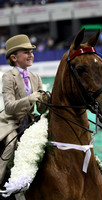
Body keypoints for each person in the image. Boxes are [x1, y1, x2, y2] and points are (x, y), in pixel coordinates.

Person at [0, 34, 49, 191]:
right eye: (26, 52)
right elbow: (9, 106)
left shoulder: (36, 77)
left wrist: (44, 101)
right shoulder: (8, 77)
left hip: (30, 120)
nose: (31, 55)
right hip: (11, 122)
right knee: (10, 143)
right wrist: (29, 99)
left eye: (31, 51)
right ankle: (0, 180)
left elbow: (40, 109)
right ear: (14, 57)